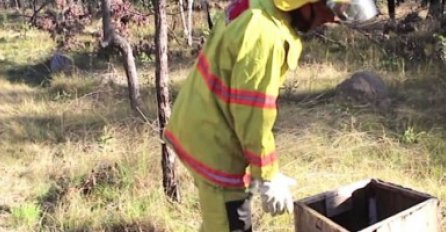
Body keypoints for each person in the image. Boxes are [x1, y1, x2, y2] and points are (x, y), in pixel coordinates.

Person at [163, 0, 377, 231]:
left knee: (217, 222)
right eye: (329, 12)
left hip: (200, 124)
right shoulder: (265, 34)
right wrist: (267, 175)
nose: (328, 21)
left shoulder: (262, 5)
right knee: (229, 223)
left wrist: (264, 169)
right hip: (214, 143)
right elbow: (252, 113)